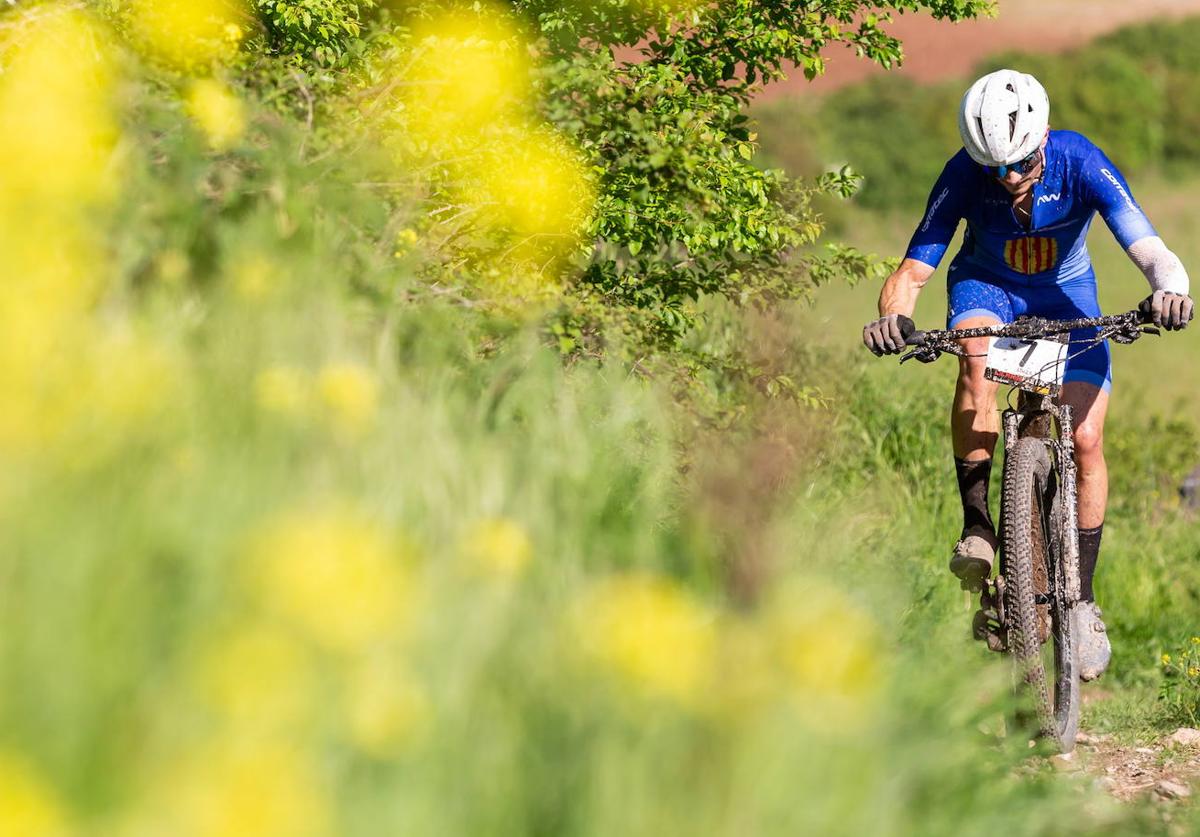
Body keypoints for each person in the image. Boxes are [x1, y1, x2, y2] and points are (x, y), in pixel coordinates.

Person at [861, 69, 1193, 681]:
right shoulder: (965, 171)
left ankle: (1084, 600)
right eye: (995, 169)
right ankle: (980, 528)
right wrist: (892, 318)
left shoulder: (1078, 158)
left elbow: (1145, 243)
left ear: (1041, 139)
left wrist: (1170, 289)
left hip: (1068, 295)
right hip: (987, 287)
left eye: (1017, 164)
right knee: (974, 361)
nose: (1007, 178)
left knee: (1088, 438)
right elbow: (911, 272)